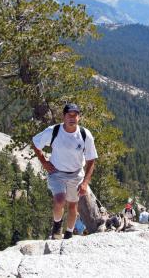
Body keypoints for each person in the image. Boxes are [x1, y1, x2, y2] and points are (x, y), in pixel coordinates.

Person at [32, 103, 98, 240]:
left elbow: (91, 160)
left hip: (76, 174)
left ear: (79, 117)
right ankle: (57, 226)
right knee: (59, 199)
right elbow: (36, 143)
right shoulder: (54, 131)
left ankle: (68, 233)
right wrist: (44, 162)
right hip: (57, 172)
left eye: (75, 115)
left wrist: (85, 182)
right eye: (69, 115)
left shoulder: (85, 135)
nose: (72, 118)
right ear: (64, 116)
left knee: (73, 206)